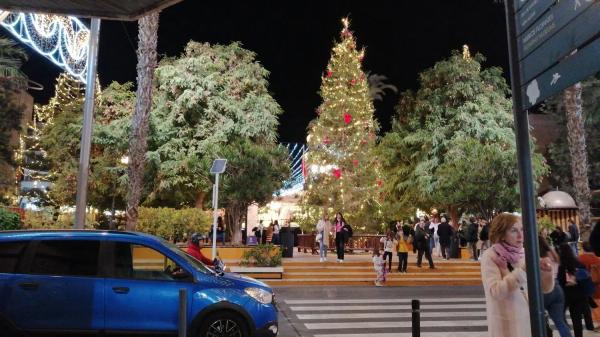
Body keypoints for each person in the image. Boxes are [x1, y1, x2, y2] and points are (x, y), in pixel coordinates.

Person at [480, 213, 530, 337]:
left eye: (522, 229)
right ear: (501, 235)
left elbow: (543, 289)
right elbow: (495, 291)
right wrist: (520, 273)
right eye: (513, 230)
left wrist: (547, 272)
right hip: (506, 325)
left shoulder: (526, 253)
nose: (520, 235)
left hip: (529, 323)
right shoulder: (491, 256)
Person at [557, 243, 595, 337]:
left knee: (560, 315)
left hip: (566, 295)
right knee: (576, 318)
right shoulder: (579, 263)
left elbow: (560, 280)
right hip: (579, 295)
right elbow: (585, 277)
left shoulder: (562, 266)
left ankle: (566, 332)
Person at [539, 236, 572, 337]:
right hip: (557, 288)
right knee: (560, 322)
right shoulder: (553, 253)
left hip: (542, 290)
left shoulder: (536, 257)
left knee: (539, 321)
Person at [577, 242, 600, 325]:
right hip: (597, 286)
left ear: (583, 248)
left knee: (589, 307)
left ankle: (595, 323)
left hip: (585, 287)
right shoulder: (598, 258)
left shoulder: (580, 258)